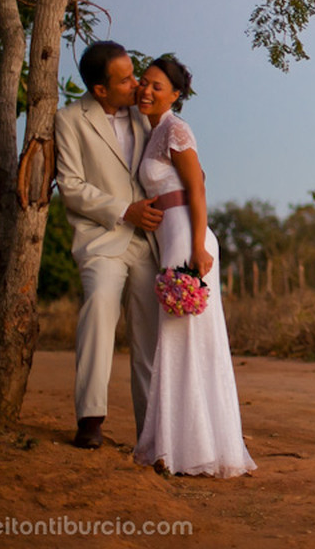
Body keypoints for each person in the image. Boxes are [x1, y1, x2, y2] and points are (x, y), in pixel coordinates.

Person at [131, 56, 256, 478]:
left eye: (157, 87)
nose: (146, 91)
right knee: (178, 342)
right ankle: (179, 443)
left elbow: (197, 186)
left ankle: (191, 448)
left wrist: (200, 245)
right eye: (144, 83)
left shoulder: (176, 129)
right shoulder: (151, 131)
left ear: (176, 95)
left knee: (184, 339)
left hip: (186, 236)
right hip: (169, 234)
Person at [55, 41, 163, 450]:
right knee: (99, 307)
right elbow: (71, 186)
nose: (135, 84)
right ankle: (90, 418)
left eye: (134, 74)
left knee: (151, 331)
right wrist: (124, 210)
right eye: (126, 79)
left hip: (149, 240)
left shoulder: (144, 112)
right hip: (102, 238)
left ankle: (152, 428)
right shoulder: (69, 120)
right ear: (100, 89)